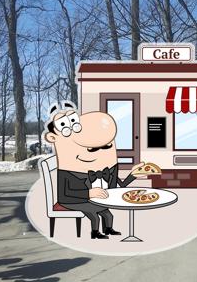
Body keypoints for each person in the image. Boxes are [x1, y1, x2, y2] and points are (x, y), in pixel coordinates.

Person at [45, 101, 149, 239]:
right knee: (94, 213)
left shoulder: (107, 168)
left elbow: (121, 185)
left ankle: (108, 229)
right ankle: (95, 233)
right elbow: (65, 194)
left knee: (107, 213)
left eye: (106, 146)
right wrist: (89, 193)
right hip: (72, 200)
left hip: (92, 197)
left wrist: (134, 174)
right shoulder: (67, 172)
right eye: (91, 149)